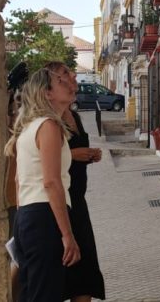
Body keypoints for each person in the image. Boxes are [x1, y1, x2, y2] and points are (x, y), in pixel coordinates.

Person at [4, 68, 80, 302]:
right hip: (44, 217)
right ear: (47, 93)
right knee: (46, 294)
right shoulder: (48, 126)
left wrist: (22, 220)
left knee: (33, 293)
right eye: (60, 81)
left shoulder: (29, 127)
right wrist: (67, 234)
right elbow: (51, 182)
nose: (68, 83)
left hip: (28, 215)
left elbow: (18, 182)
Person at [45, 62, 106, 301]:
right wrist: (74, 155)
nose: (73, 79)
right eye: (64, 77)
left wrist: (89, 155)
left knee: (85, 277)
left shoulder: (75, 117)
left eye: (71, 75)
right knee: (58, 277)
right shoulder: (49, 122)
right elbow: (43, 169)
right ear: (48, 90)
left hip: (78, 203)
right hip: (59, 204)